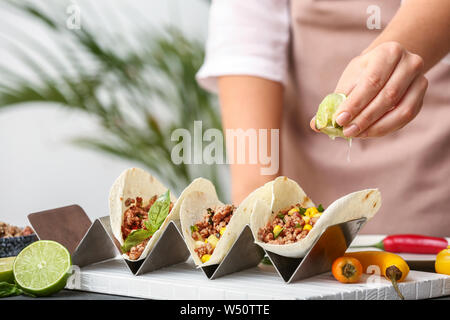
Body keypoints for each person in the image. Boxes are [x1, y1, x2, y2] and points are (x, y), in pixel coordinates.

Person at [196, 0, 450, 236]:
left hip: (430, 181)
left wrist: (391, 58)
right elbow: (248, 41)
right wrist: (254, 210)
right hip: (307, 182)